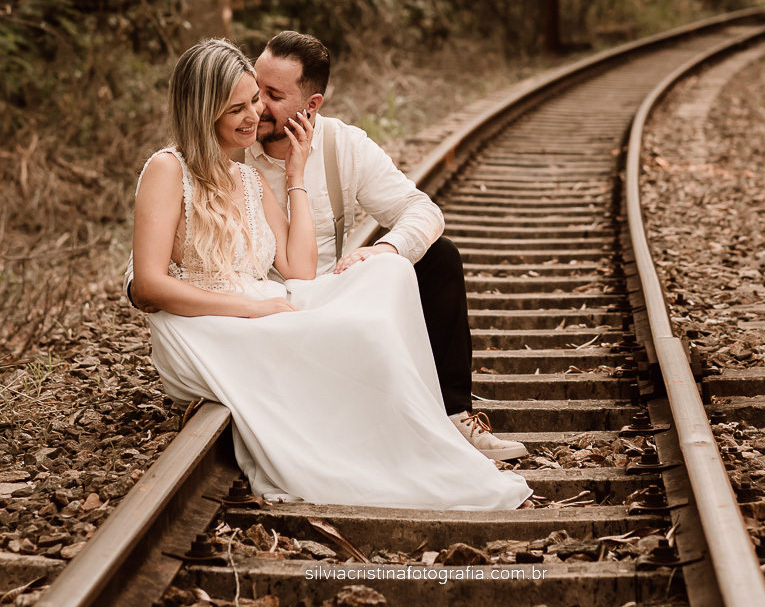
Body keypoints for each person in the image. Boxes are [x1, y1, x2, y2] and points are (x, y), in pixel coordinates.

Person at [132, 38, 531, 509]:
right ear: (204, 112)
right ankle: (396, 431)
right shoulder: (168, 168)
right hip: (214, 324)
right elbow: (147, 283)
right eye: (239, 104)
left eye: (261, 99)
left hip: (276, 300)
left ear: (311, 104)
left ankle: (441, 414)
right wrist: (252, 308)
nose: (254, 113)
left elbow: (299, 269)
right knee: (360, 331)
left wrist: (299, 176)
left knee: (395, 273)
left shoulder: (262, 175)